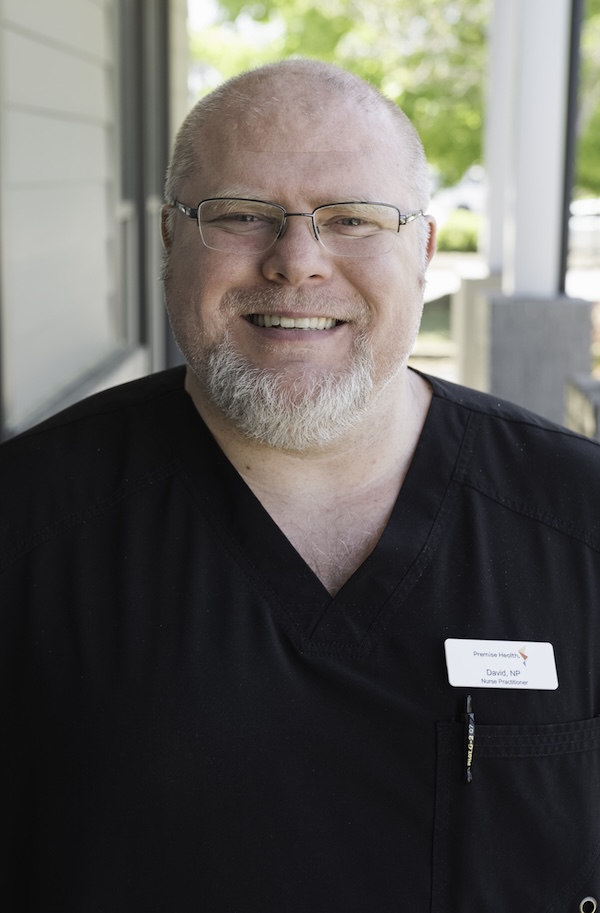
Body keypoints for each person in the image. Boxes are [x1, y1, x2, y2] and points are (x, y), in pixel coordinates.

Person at [1, 58, 599, 913]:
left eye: (352, 218)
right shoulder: (26, 525)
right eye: (243, 214)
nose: (297, 262)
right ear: (169, 241)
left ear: (424, 251)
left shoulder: (578, 519)